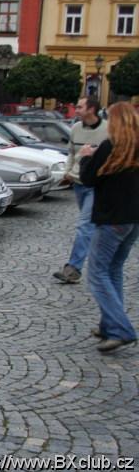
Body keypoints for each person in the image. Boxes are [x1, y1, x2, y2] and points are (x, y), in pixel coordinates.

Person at [78, 102, 139, 352]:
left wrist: (85, 159)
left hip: (112, 218)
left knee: (98, 273)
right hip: (133, 219)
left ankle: (121, 329)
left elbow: (88, 179)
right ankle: (109, 325)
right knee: (113, 270)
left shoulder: (109, 146)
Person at [52, 97, 109, 284]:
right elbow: (71, 153)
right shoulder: (76, 128)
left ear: (91, 109)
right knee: (94, 226)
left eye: (79, 106)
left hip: (96, 185)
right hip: (78, 183)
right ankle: (102, 260)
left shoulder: (107, 130)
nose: (75, 109)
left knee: (85, 226)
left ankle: (73, 268)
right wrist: (67, 172)